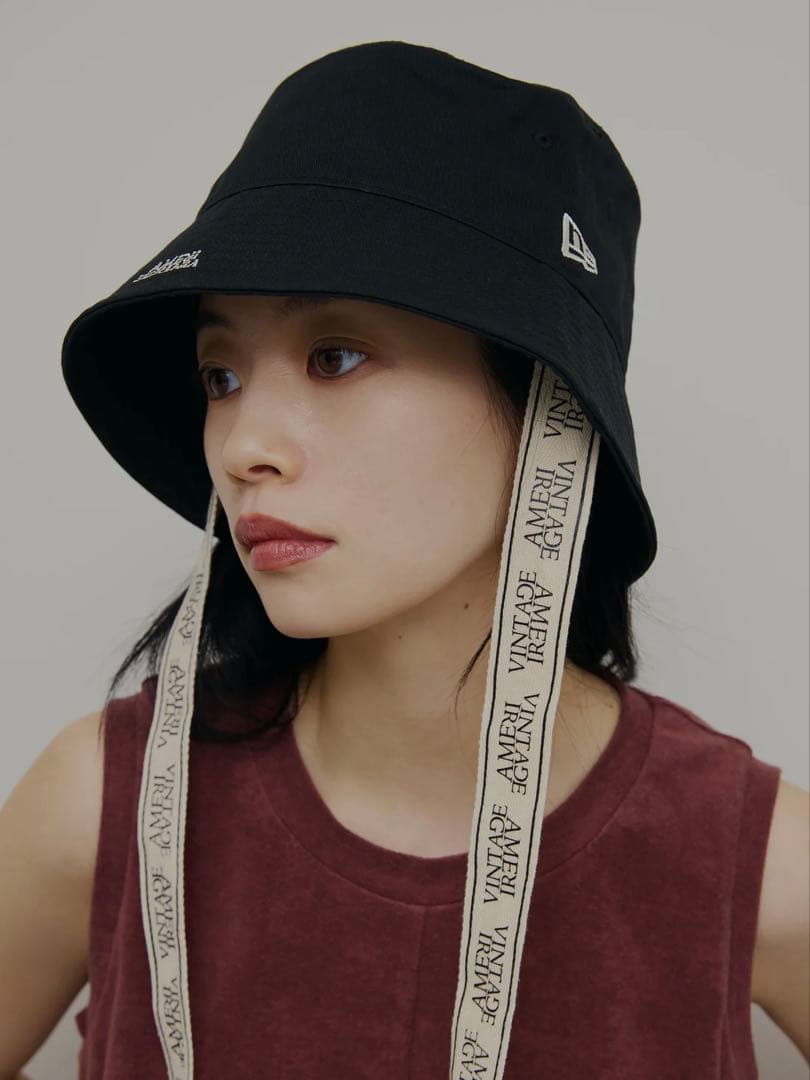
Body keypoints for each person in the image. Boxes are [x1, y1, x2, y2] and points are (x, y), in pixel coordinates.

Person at [1, 39, 807, 1080]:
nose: (244, 447)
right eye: (219, 374)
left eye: (335, 356)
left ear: (549, 411)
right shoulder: (95, 804)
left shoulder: (755, 865)